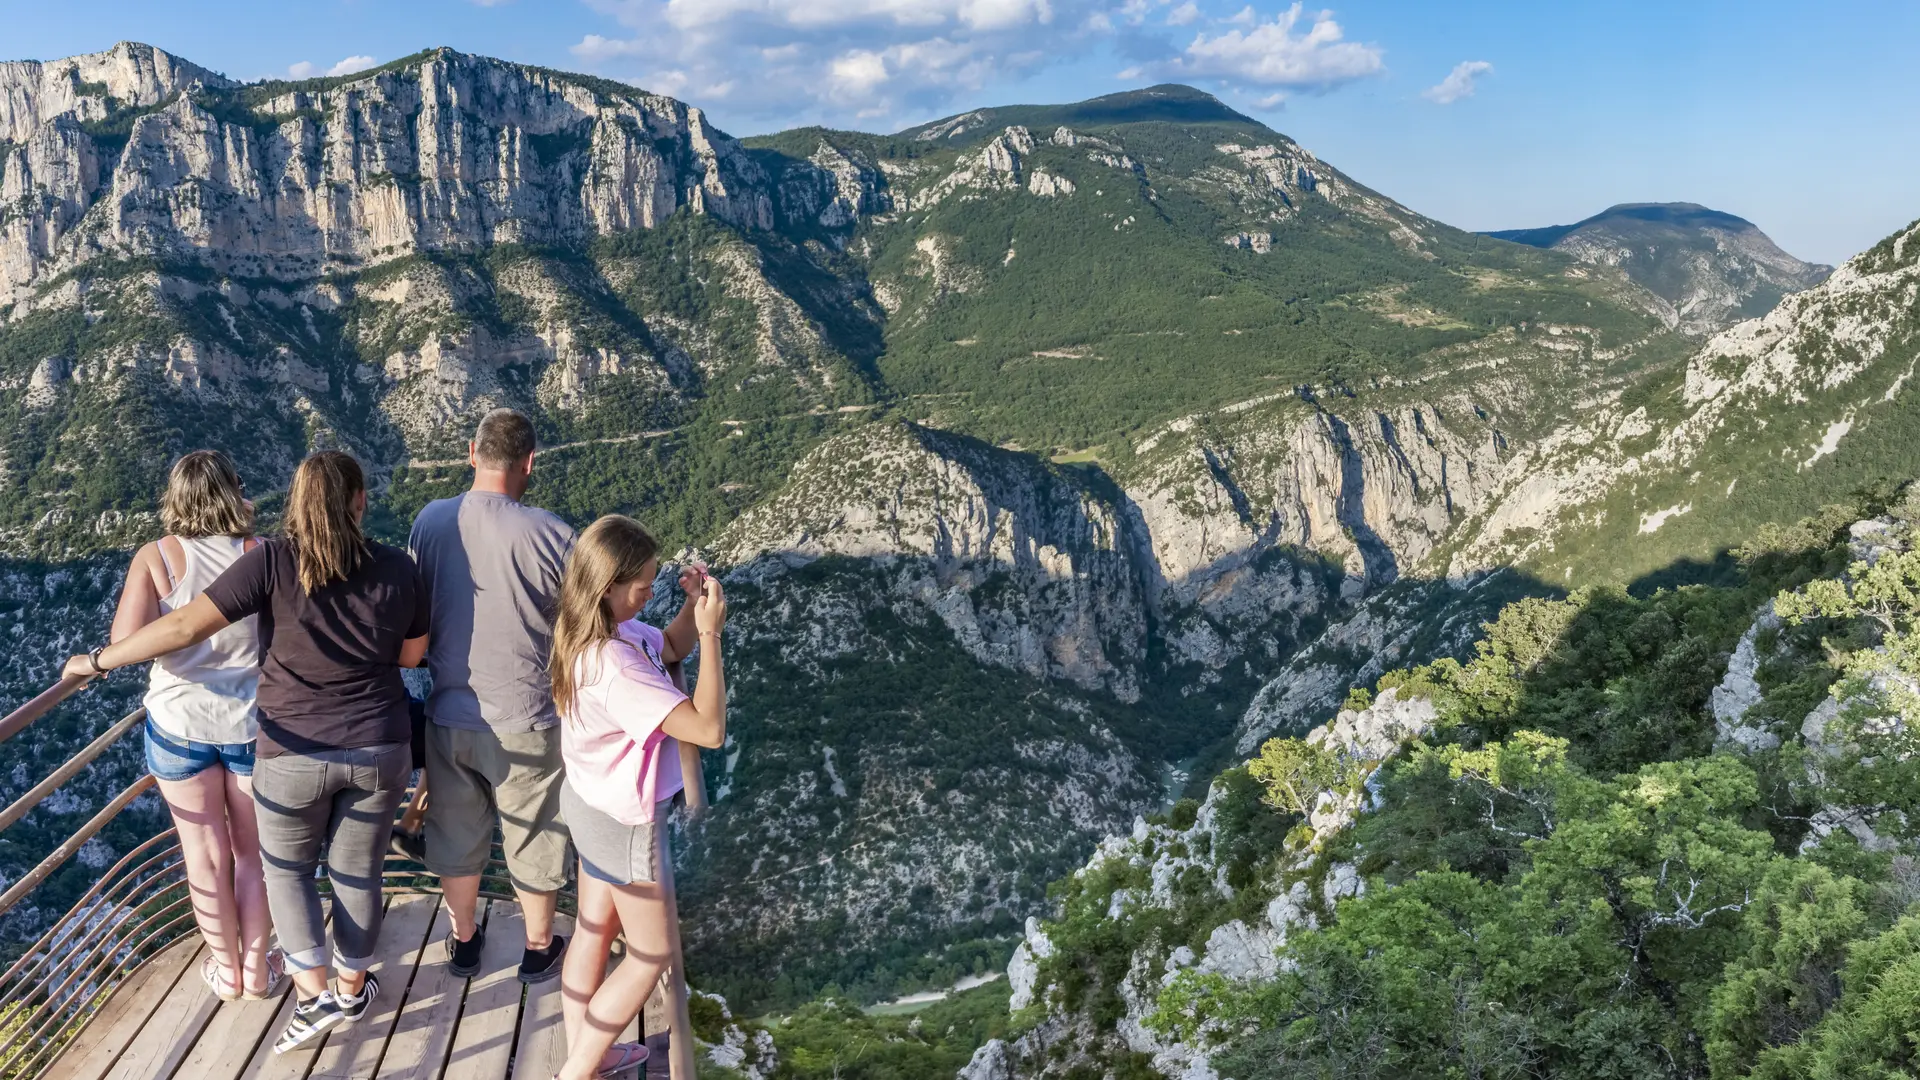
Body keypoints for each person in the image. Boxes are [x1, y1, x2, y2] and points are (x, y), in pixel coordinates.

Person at [68, 450, 430, 1054]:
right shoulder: (397, 565)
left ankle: (308, 994)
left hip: (289, 747)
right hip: (377, 744)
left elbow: (183, 628)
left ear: (296, 502)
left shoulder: (272, 561)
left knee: (283, 868)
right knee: (357, 870)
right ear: (360, 502)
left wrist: (98, 661)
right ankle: (350, 986)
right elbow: (412, 657)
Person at [548, 516, 728, 1080]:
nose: (650, 594)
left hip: (588, 802)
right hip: (624, 824)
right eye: (644, 586)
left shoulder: (598, 630)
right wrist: (711, 635)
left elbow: (666, 643)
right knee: (648, 959)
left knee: (593, 930)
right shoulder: (615, 666)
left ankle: (590, 1057)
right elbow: (707, 729)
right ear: (608, 586)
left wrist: (689, 609)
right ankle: (574, 1072)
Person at [407, 408, 576, 984]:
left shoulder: (429, 523)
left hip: (448, 712)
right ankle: (536, 947)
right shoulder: (553, 534)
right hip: (528, 716)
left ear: (471, 455)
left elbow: (417, 611)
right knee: (534, 833)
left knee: (455, 835)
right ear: (530, 463)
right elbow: (581, 627)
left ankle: (464, 942)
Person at [109, 451, 277, 1001]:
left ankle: (226, 973)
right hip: (252, 725)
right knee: (257, 853)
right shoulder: (260, 553)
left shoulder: (155, 557)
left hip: (179, 723)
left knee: (205, 854)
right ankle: (258, 971)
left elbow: (124, 645)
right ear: (235, 492)